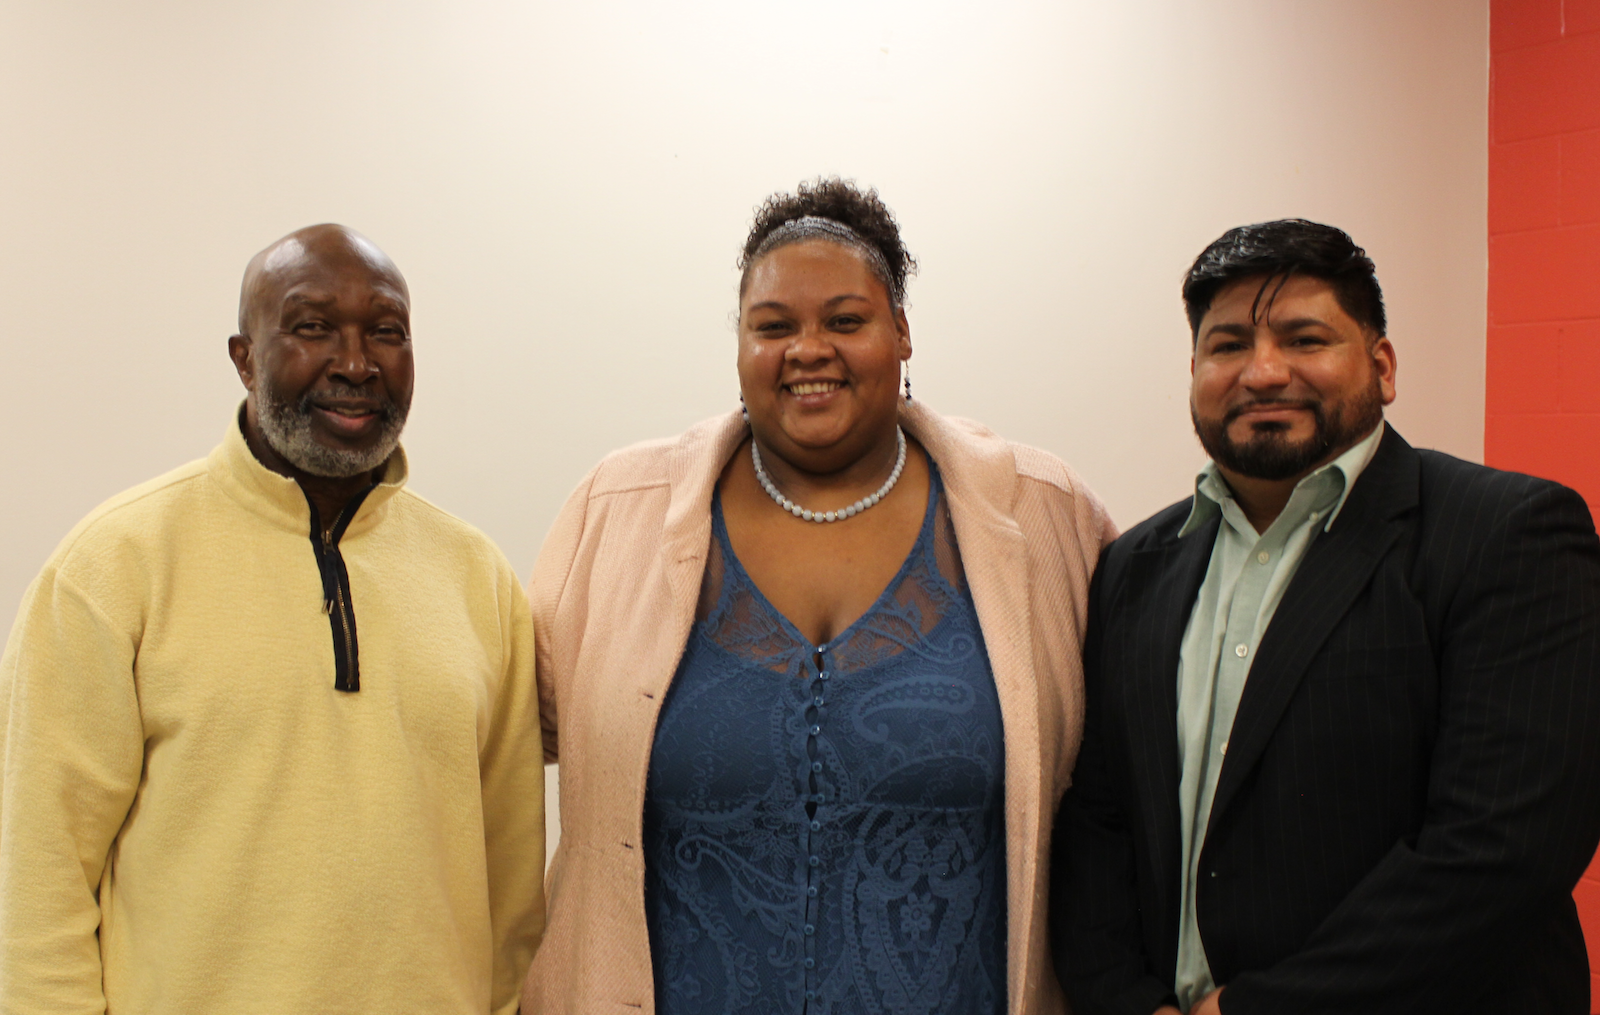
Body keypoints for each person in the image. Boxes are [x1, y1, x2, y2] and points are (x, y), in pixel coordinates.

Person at [520, 178, 1115, 1015]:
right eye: (774, 326)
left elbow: (1129, 795)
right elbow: (501, 744)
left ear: (902, 332)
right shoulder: (616, 511)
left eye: (845, 320)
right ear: (738, 343)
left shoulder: (1047, 516)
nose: (809, 349)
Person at [1050, 218, 1600, 1015]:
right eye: (1228, 344)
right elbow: (1100, 822)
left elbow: (1501, 853)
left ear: (1382, 366)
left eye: (1304, 338)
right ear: (1195, 370)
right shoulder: (1135, 565)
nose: (1263, 371)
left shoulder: (1508, 534)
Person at [0, 224, 545, 1015]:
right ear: (244, 356)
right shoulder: (114, 565)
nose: (355, 364)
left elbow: (512, 880)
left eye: (385, 331)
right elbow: (38, 877)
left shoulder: (477, 576)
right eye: (312, 326)